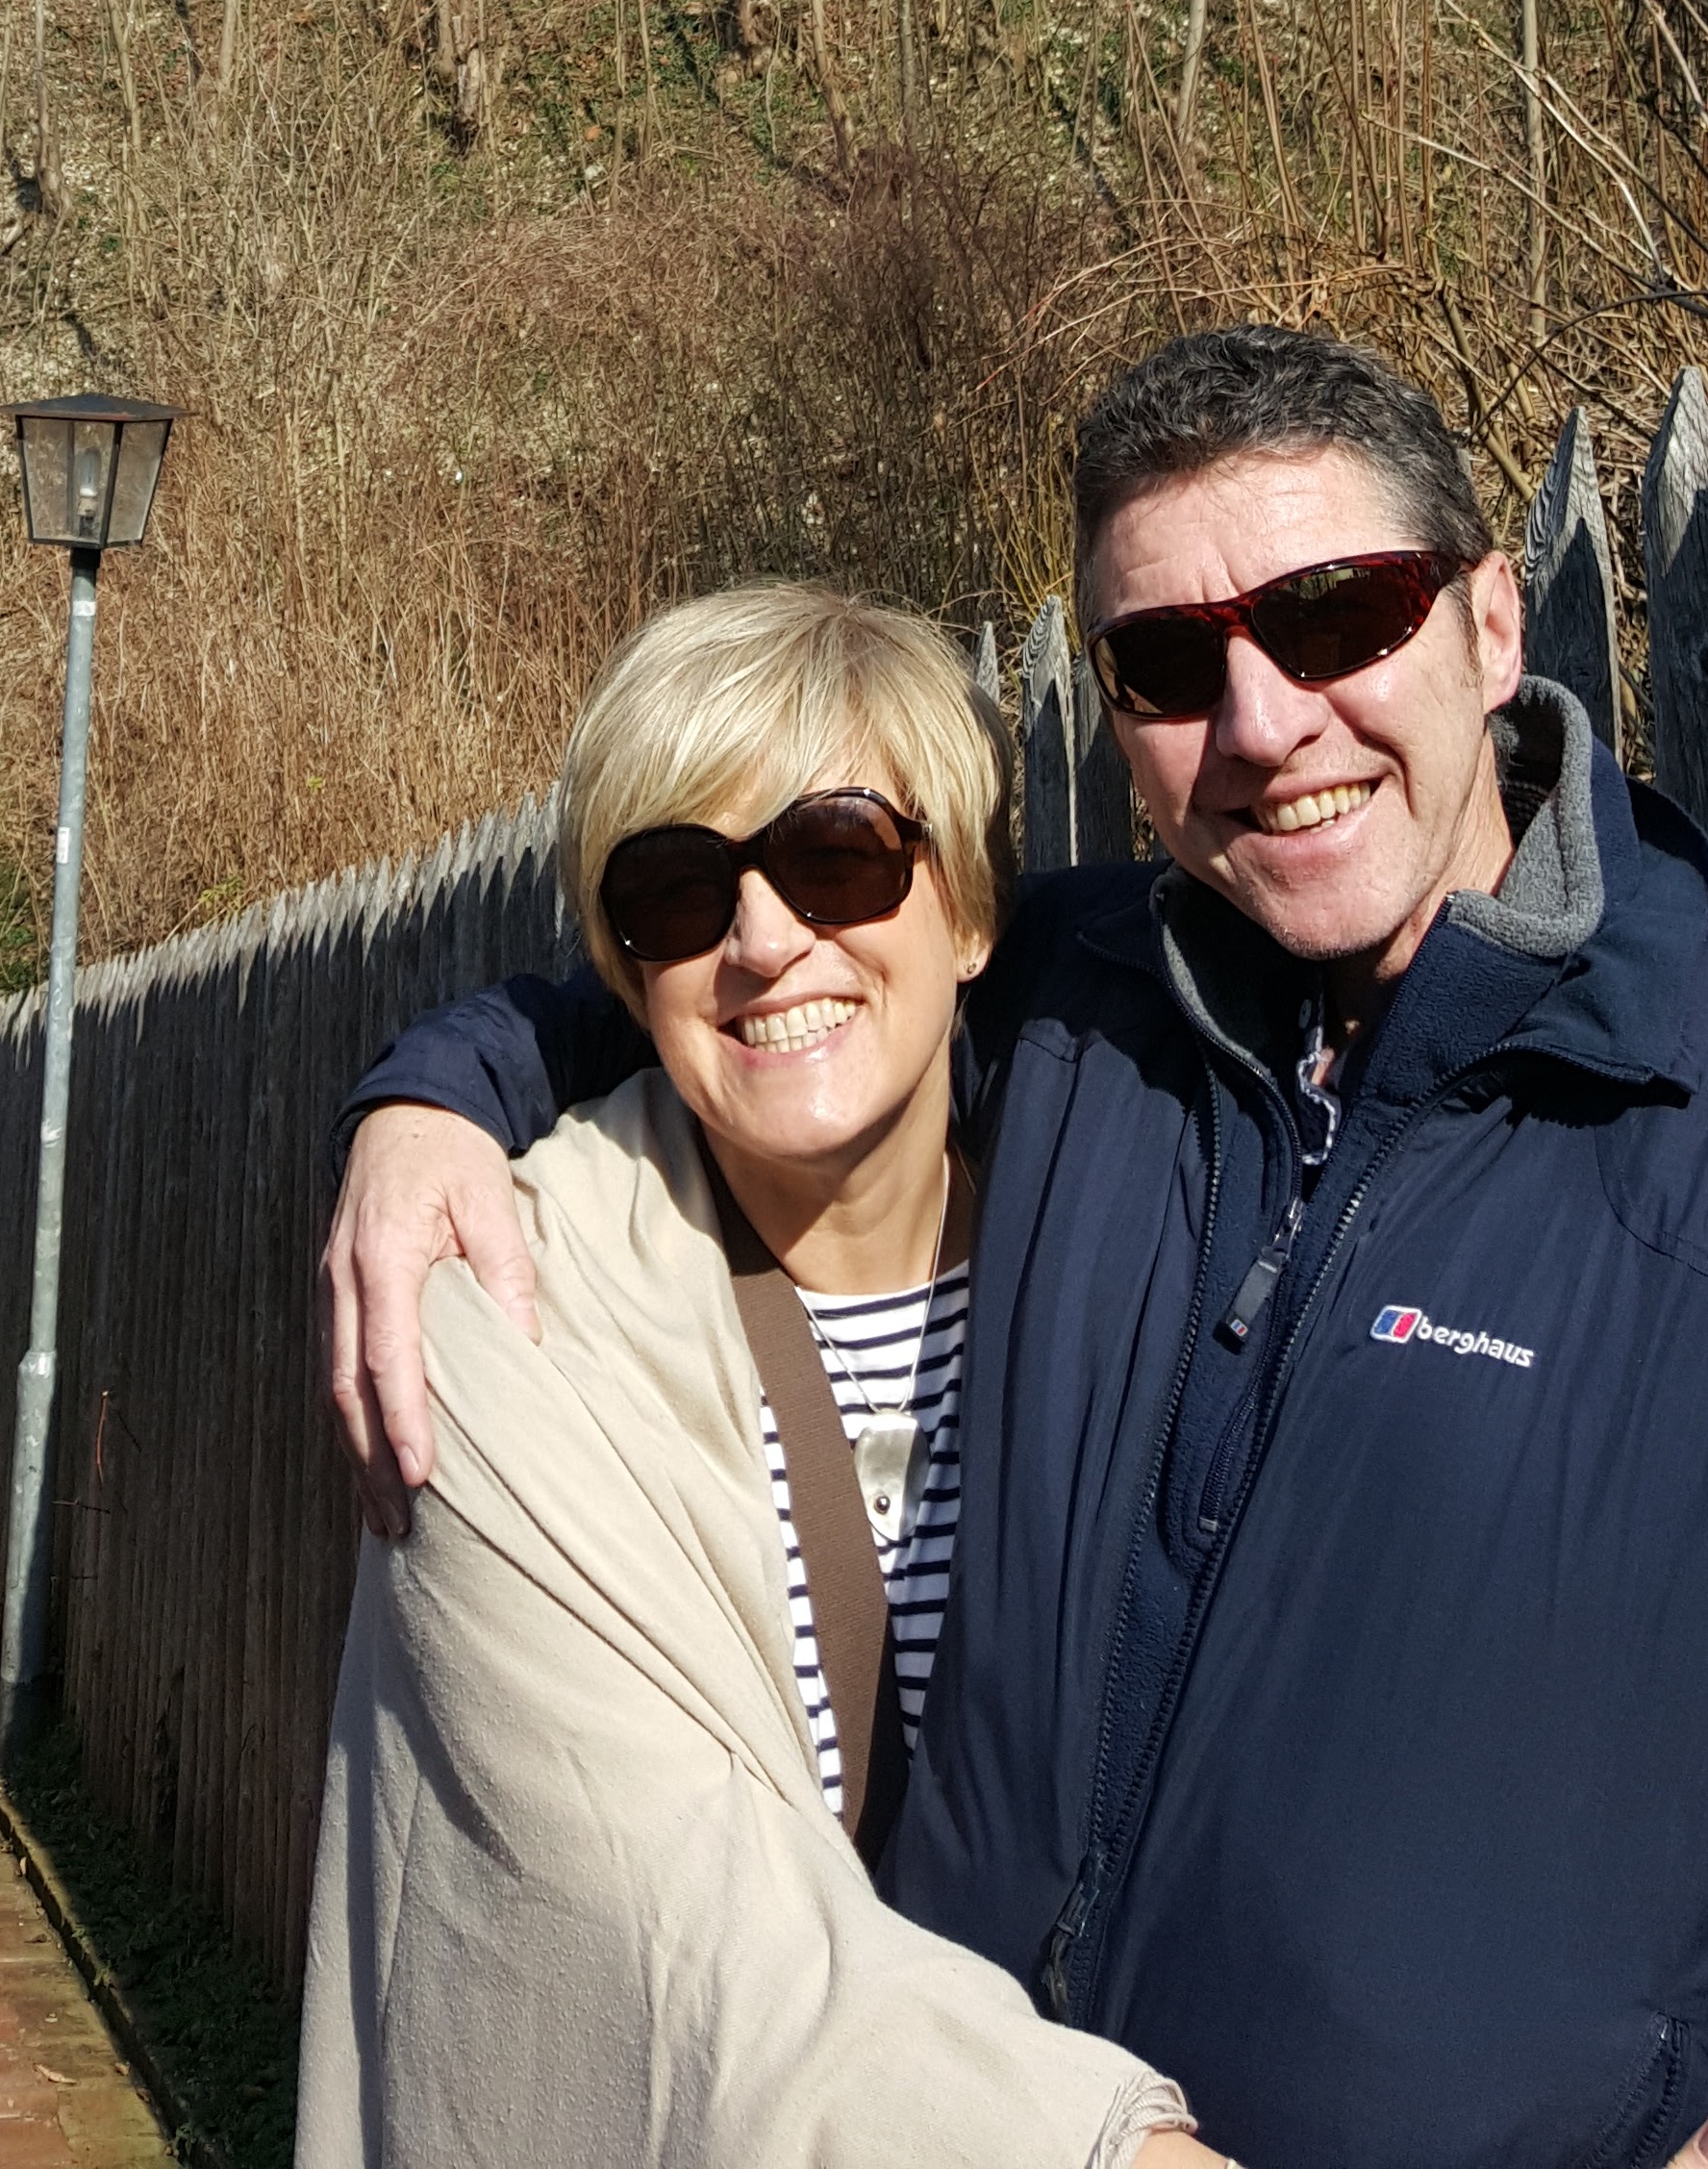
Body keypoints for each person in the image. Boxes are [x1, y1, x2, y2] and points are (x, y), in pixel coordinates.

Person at [322, 328, 1708, 2169]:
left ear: (1493, 628)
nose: (1262, 723)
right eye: (1171, 663)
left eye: (1336, 615)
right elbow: (752, 988)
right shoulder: (1088, 1006)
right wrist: (434, 1098)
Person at [299, 581, 1217, 2169]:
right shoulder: (498, 1321)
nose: (766, 939)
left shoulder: (1163, 1248)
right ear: (625, 966)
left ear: (970, 912)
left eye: (838, 856)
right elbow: (677, 1937)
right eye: (677, 891)